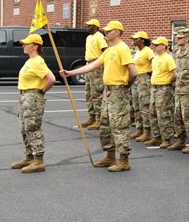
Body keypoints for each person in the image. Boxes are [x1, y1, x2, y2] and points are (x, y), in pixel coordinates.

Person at [61, 21, 137, 172]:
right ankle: (110, 156)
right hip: (108, 91)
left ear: (117, 32)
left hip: (118, 91)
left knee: (119, 126)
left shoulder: (123, 48)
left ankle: (123, 160)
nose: (106, 33)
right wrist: (71, 73)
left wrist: (126, 85)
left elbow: (133, 72)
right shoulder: (109, 50)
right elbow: (93, 65)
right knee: (105, 125)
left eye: (109, 31)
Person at [11, 34, 56, 173]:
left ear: (35, 46)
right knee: (25, 128)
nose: (23, 45)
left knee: (33, 128)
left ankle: (39, 160)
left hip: (32, 96)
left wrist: (40, 91)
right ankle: (29, 157)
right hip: (25, 96)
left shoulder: (37, 61)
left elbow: (51, 79)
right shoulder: (30, 61)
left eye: (26, 43)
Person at [168, 28, 189, 153]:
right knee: (177, 116)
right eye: (177, 37)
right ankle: (180, 140)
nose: (177, 39)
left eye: (180, 37)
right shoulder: (176, 52)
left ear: (187, 38)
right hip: (178, 88)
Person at [145, 37, 177, 147]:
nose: (155, 46)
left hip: (163, 88)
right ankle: (156, 136)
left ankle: (166, 138)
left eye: (158, 45)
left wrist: (167, 82)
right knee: (153, 112)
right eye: (155, 45)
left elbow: (174, 73)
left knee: (163, 114)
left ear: (164, 46)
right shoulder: (155, 58)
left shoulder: (168, 58)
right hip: (154, 88)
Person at [81, 19, 108, 130]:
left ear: (96, 27)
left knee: (97, 93)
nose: (87, 27)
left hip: (96, 65)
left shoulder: (99, 37)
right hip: (89, 64)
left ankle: (99, 120)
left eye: (90, 25)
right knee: (89, 93)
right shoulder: (89, 37)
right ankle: (91, 117)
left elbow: (106, 51)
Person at [129, 32, 155, 142]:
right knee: (136, 105)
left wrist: (150, 74)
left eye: (136, 39)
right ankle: (139, 129)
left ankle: (147, 131)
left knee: (144, 106)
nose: (133, 40)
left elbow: (154, 63)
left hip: (144, 79)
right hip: (136, 79)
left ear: (142, 40)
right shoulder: (137, 52)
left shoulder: (147, 51)